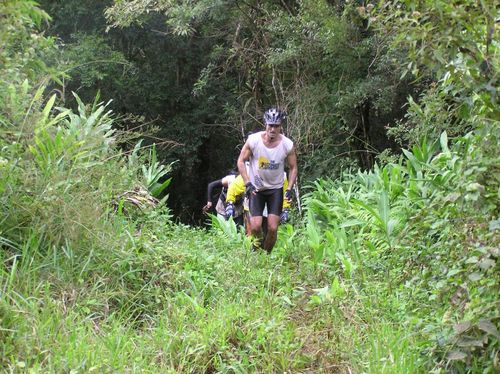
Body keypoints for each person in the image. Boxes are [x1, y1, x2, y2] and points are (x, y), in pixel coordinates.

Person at [237, 107, 298, 252]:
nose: (272, 129)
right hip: (256, 189)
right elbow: (240, 161)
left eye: (276, 126)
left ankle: (267, 255)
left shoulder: (287, 145)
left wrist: (289, 189)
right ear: (265, 124)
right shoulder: (254, 141)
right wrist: (247, 183)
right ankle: (256, 248)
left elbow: (293, 167)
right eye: (270, 125)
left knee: (272, 227)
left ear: (280, 126)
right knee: (256, 226)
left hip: (275, 189)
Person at [226, 172, 291, 236]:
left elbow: (285, 193)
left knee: (269, 230)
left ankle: (264, 244)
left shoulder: (281, 176)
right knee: (251, 230)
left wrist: (285, 208)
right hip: (252, 202)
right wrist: (230, 203)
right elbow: (234, 187)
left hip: (270, 203)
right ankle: (251, 243)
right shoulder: (250, 172)